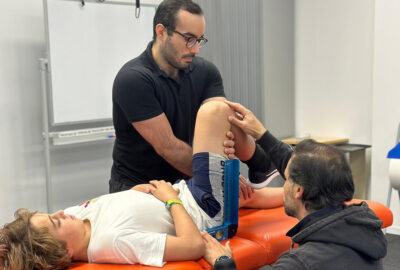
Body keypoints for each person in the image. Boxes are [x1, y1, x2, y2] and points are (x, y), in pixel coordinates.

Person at [0, 101, 283, 269]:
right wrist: (170, 199)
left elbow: (115, 208)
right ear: (65, 253)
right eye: (57, 222)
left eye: (53, 213)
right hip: (206, 210)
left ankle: (305, 189)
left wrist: (135, 194)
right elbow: (192, 245)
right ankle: (264, 165)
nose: (62, 213)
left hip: (188, 194)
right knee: (215, 110)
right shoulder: (110, 243)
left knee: (250, 195)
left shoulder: (75, 219)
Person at [201, 101, 388, 270]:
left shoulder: (300, 263)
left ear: (299, 190)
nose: (284, 184)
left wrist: (223, 263)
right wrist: (262, 135)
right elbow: (303, 166)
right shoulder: (364, 230)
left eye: (287, 179)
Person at [110, 0, 230, 192]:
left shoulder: (206, 72)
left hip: (185, 184)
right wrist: (220, 178)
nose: (195, 49)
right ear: (161, 32)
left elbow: (220, 123)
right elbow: (169, 147)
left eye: (199, 40)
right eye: (188, 39)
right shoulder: (133, 79)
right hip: (138, 189)